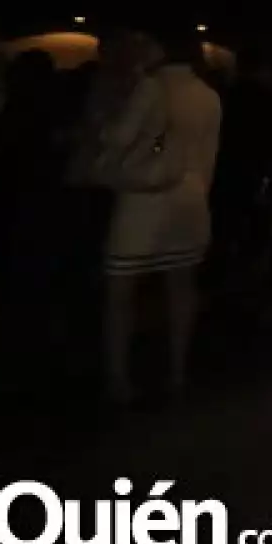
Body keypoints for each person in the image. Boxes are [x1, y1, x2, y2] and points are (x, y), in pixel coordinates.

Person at [95, 28, 223, 404]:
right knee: (181, 289)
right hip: (191, 203)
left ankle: (119, 379)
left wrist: (100, 128)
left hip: (142, 203)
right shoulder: (209, 95)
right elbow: (209, 160)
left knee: (120, 294)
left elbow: (119, 137)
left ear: (160, 47)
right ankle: (177, 372)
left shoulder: (149, 86)